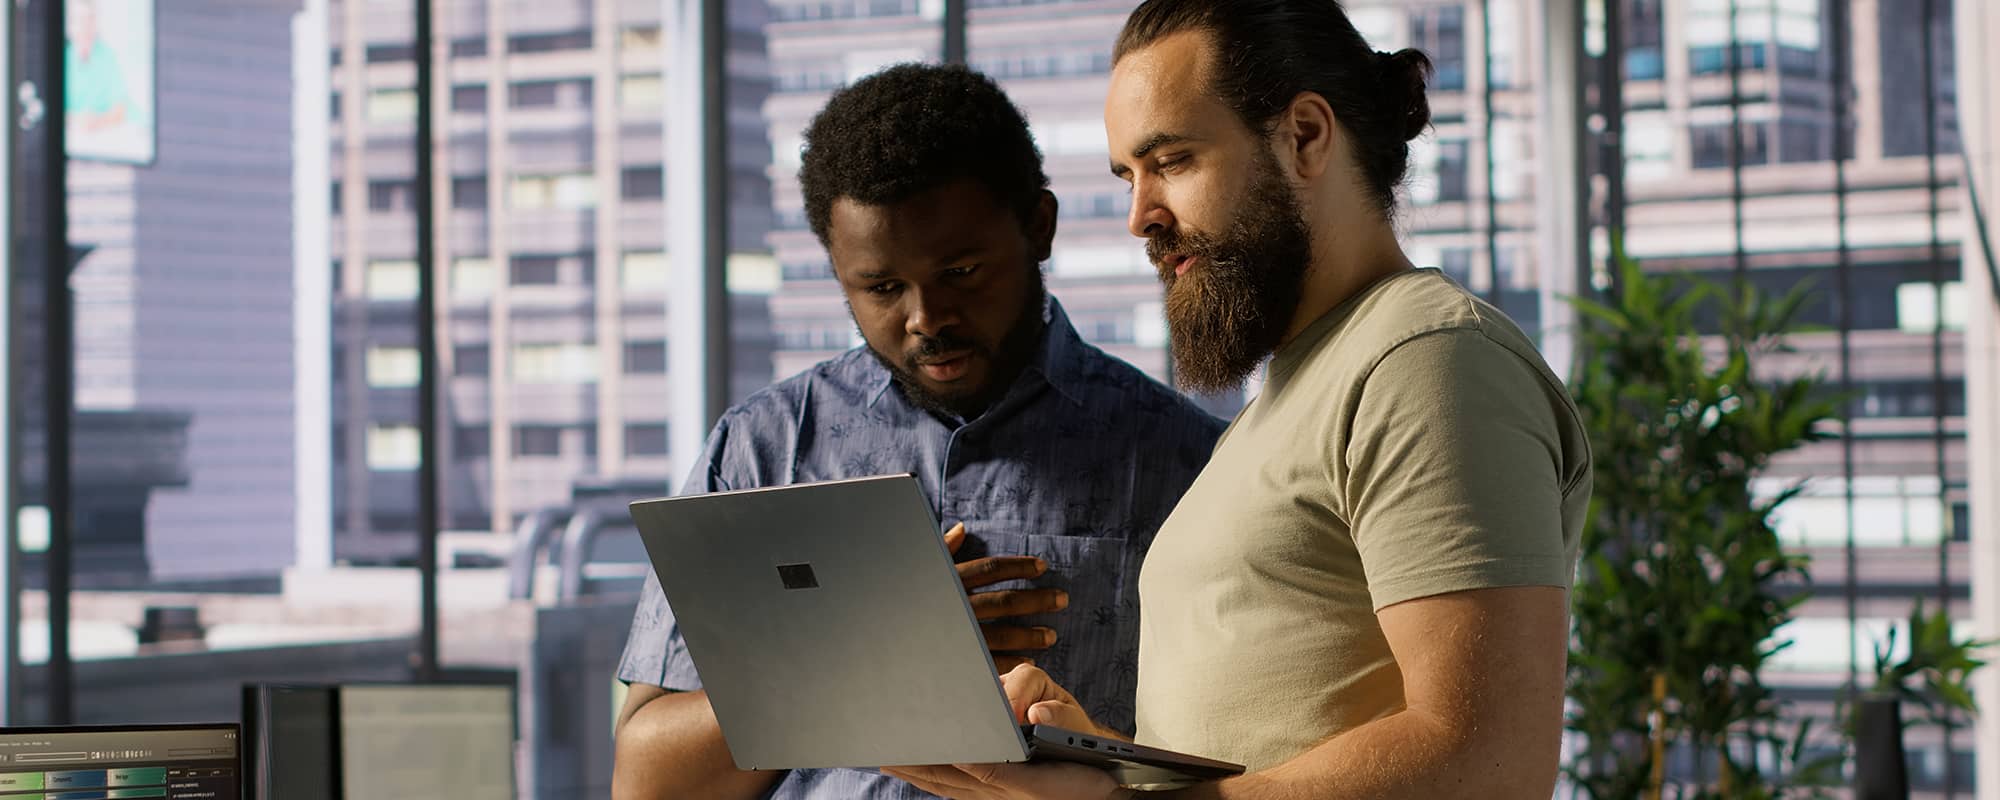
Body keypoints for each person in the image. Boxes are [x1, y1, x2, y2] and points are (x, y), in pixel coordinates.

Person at [886, 1, 1591, 798]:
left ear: (1305, 137)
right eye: (1129, 176)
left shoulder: (1427, 362)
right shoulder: (1288, 398)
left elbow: (1487, 761)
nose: (1139, 216)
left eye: (1173, 161)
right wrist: (1100, 758)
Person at [610, 63, 1227, 800]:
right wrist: (867, 651)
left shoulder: (1187, 462)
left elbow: (1234, 757)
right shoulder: (761, 450)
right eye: (880, 288)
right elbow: (647, 784)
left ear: (1039, 226)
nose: (926, 318)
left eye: (962, 271)